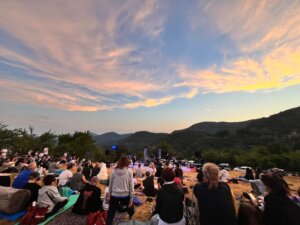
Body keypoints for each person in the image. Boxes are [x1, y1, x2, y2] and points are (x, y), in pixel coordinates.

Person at [106, 157, 134, 225]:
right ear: (127, 163)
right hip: (125, 195)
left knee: (111, 213)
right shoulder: (129, 171)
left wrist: (109, 195)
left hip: (114, 195)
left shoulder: (114, 171)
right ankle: (130, 216)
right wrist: (131, 198)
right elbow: (131, 186)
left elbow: (110, 184)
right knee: (130, 207)